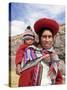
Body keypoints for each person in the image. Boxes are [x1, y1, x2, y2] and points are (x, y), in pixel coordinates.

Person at [21, 18, 63, 85]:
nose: (47, 40)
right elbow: (24, 78)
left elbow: (58, 79)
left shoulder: (54, 56)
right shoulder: (30, 52)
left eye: (49, 37)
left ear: (52, 38)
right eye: (44, 36)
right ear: (40, 38)